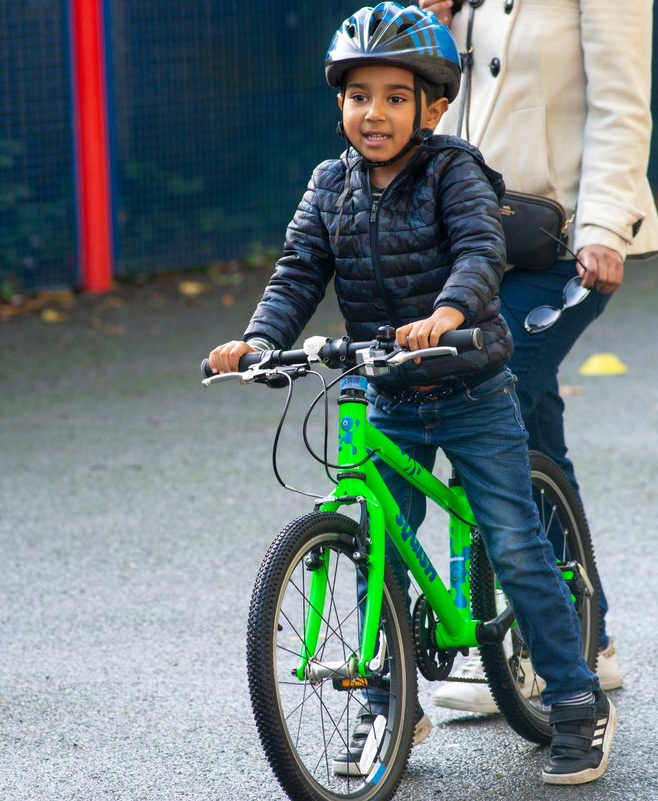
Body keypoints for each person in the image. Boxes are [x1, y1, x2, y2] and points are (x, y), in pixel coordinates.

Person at [209, 3, 615, 785]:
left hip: (468, 384)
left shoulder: (454, 170)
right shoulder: (330, 185)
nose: (376, 113)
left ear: (433, 106)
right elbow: (299, 269)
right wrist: (258, 341)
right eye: (360, 95)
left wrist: (449, 314)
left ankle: (574, 699)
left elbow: (479, 248)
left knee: (517, 543)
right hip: (386, 389)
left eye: (397, 97)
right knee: (375, 548)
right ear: (340, 104)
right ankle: (391, 702)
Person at [418, 0, 658, 715]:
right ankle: (591, 635)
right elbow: (402, 89)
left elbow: (621, 102)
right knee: (535, 435)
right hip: (471, 249)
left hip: (565, 245)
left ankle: (509, 639)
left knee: (485, 400)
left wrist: (602, 229)